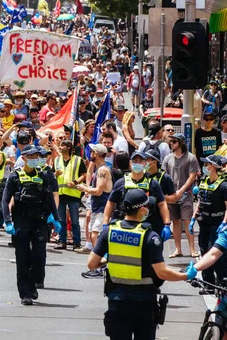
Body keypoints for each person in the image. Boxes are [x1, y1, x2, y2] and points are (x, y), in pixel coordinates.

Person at [88, 188, 188, 340]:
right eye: (147, 207)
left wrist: (111, 258)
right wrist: (185, 276)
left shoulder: (110, 231)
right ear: (142, 209)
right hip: (144, 302)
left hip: (117, 299)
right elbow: (162, 272)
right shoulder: (149, 236)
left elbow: (92, 264)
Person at [2, 145, 62, 305]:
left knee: (39, 255)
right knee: (22, 259)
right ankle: (25, 293)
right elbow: (5, 199)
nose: (35, 159)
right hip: (21, 221)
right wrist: (7, 221)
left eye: (37, 156)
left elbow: (49, 198)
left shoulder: (43, 175)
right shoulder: (15, 176)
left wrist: (56, 218)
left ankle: (35, 281)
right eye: (32, 156)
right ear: (24, 158)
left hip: (39, 221)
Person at [103, 151, 171, 242]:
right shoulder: (121, 183)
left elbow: (162, 204)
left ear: (145, 163)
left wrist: (167, 224)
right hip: (125, 226)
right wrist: (105, 223)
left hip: (148, 225)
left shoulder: (153, 184)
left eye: (140, 161)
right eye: (135, 161)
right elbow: (110, 203)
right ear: (130, 163)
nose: (137, 163)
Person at [189, 155, 227, 292]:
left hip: (217, 222)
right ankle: (208, 284)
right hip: (204, 221)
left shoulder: (223, 185)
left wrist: (224, 223)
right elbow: (199, 201)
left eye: (208, 165)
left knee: (215, 251)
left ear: (215, 167)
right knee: (204, 250)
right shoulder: (203, 182)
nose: (205, 167)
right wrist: (193, 218)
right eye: (204, 165)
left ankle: (222, 282)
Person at [77, 144, 113, 277]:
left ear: (97, 154)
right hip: (98, 207)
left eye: (92, 152)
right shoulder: (99, 169)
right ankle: (100, 265)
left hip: (103, 207)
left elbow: (98, 191)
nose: (90, 154)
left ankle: (102, 264)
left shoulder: (103, 170)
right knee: (93, 234)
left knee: (95, 235)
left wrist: (84, 189)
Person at [162, 133, 200, 258]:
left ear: (181, 143)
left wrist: (182, 190)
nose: (171, 144)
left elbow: (192, 176)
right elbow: (164, 176)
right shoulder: (167, 159)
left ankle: (192, 249)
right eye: (170, 142)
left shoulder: (190, 158)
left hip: (186, 195)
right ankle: (178, 249)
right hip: (172, 195)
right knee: (175, 222)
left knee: (187, 221)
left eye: (174, 142)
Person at [53, 140, 87, 251]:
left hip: (73, 194)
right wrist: (55, 174)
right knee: (61, 219)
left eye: (62, 145)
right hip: (61, 193)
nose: (60, 147)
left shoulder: (77, 160)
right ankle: (62, 241)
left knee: (75, 220)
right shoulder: (57, 160)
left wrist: (75, 182)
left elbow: (84, 175)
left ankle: (77, 242)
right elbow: (52, 175)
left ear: (68, 147)